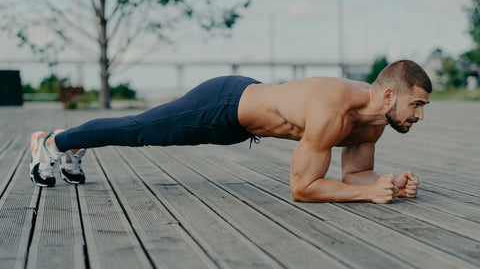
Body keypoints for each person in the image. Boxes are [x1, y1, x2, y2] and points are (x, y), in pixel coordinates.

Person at [30, 60, 431, 204]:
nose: (420, 116)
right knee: (139, 129)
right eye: (417, 105)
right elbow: (302, 187)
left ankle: (72, 144)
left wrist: (388, 183)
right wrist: (366, 193)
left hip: (241, 120)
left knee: (138, 129)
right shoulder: (334, 108)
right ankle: (53, 142)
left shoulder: (375, 122)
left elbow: (354, 175)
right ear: (390, 94)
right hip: (222, 105)